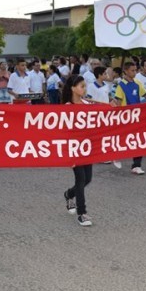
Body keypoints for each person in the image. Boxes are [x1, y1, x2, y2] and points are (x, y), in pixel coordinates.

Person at [60, 75, 93, 226]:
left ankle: (69, 194)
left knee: (88, 179)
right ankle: (82, 213)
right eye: (82, 86)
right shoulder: (67, 107)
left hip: (87, 148)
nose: (84, 89)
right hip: (74, 149)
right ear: (73, 88)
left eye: (85, 86)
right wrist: (68, 155)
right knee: (80, 179)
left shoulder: (88, 104)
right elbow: (65, 132)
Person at [114, 61, 146, 174]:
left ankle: (136, 165)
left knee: (139, 140)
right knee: (123, 139)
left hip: (137, 117)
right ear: (126, 71)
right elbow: (118, 102)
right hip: (125, 118)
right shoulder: (121, 85)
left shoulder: (138, 83)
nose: (134, 72)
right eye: (132, 70)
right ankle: (116, 155)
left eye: (135, 70)